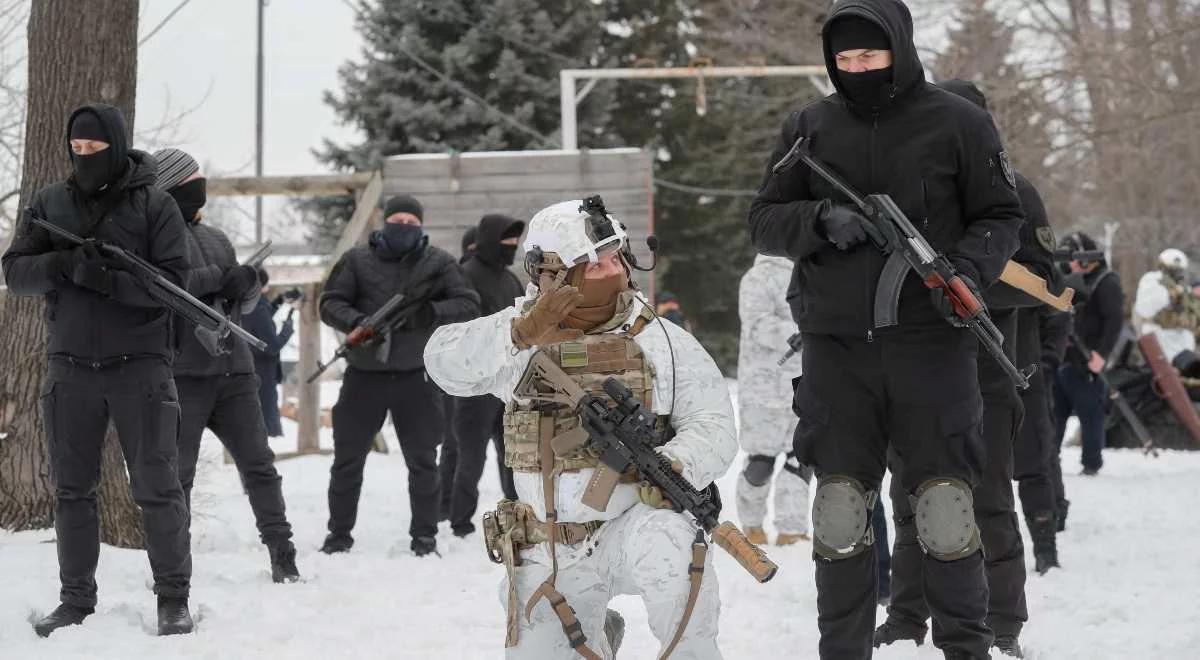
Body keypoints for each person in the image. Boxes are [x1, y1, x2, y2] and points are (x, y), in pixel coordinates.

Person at [746, 3, 1024, 658]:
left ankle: (967, 649)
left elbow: (1001, 216)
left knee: (946, 511)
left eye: (869, 57)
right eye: (843, 60)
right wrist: (818, 221)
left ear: (899, 48)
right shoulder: (809, 128)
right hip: (836, 352)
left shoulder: (960, 122)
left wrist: (965, 271)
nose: (856, 70)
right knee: (840, 512)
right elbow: (762, 218)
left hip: (932, 346)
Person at [424, 198, 736, 659]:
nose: (612, 271)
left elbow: (714, 424)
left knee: (675, 547)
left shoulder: (661, 340)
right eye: (594, 266)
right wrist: (519, 333)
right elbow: (440, 363)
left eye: (616, 259)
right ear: (551, 275)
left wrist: (677, 462)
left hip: (633, 528)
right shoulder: (519, 335)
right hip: (548, 546)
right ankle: (592, 634)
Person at [874, 79, 1052, 659]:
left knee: (989, 502)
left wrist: (967, 286)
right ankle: (906, 618)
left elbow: (1050, 288)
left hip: (986, 373)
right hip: (914, 373)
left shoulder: (1015, 194)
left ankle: (1003, 626)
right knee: (910, 500)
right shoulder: (904, 192)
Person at [3, 104, 194, 636]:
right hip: (70, 369)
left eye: (95, 150)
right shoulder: (49, 202)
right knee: (72, 491)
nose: (84, 158)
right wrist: (65, 266)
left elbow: (175, 288)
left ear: (116, 144)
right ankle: (75, 600)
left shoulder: (155, 205)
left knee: (157, 488)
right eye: (77, 150)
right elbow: (15, 271)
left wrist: (111, 281)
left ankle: (173, 599)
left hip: (141, 368)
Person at [153, 148, 300, 584]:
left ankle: (282, 551)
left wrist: (247, 282)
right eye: (192, 178)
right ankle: (173, 566)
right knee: (178, 477)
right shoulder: (153, 238)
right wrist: (221, 277)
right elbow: (166, 288)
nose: (201, 185)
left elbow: (243, 298)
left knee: (260, 466)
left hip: (235, 372)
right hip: (182, 376)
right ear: (172, 186)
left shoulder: (216, 236)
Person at [318, 194, 480, 557]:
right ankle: (338, 535)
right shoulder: (356, 260)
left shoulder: (438, 263)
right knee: (347, 461)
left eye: (411, 222)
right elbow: (329, 303)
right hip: (364, 376)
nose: (403, 227)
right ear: (384, 221)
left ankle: (424, 537)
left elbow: (469, 303)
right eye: (397, 220)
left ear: (420, 225)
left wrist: (430, 313)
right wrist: (357, 322)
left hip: (417, 378)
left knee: (423, 462)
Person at [439, 213, 523, 537]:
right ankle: (460, 522)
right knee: (469, 457)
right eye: (506, 242)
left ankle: (517, 511)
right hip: (475, 386)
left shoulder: (511, 279)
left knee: (512, 455)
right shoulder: (465, 275)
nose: (511, 248)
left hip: (509, 383)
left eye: (515, 243)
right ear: (488, 240)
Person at [735, 254, 811, 546]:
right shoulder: (757, 277)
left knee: (800, 458)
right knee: (761, 462)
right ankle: (751, 525)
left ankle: (791, 530)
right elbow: (757, 324)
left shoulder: (808, 274)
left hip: (802, 383)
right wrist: (797, 333)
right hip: (762, 388)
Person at [1054, 231, 1124, 476]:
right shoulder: (1071, 279)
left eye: (1074, 259)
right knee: (1054, 413)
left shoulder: (1106, 281)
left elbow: (1114, 322)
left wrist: (1101, 355)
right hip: (1063, 357)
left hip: (1088, 360)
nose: (1070, 264)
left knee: (1090, 413)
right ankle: (1048, 459)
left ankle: (1091, 462)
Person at [242, 268, 296, 438]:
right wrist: (287, 329)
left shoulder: (245, 303)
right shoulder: (258, 309)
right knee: (265, 423)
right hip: (263, 373)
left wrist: (279, 301)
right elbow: (272, 346)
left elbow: (260, 321)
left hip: (250, 368)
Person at [1133, 248, 1198, 361]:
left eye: (1179, 270)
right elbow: (1145, 309)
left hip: (1181, 338)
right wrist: (1171, 294)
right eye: (1174, 270)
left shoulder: (1185, 288)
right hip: (1159, 335)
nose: (1178, 274)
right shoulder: (1152, 281)